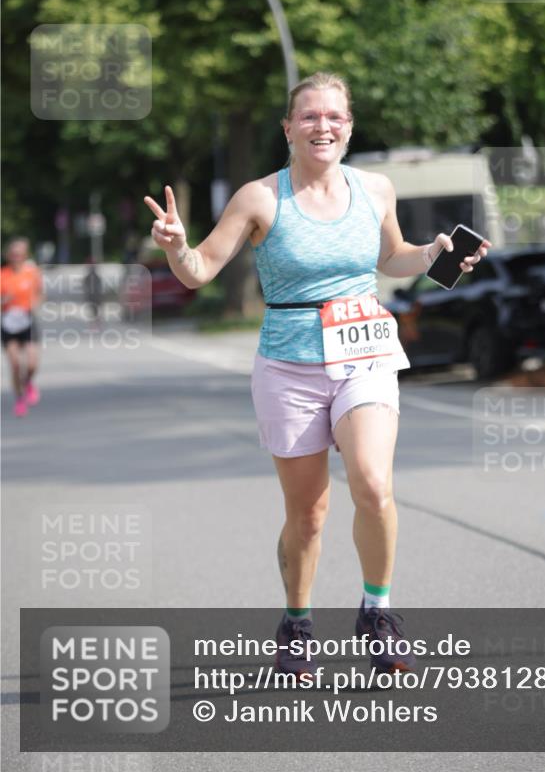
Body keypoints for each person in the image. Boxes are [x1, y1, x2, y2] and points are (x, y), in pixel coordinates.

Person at [144, 72, 491, 677]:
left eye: (334, 116)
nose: (322, 125)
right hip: (290, 364)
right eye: (309, 116)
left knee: (373, 485)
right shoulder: (259, 198)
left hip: (365, 354)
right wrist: (176, 245)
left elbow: (391, 258)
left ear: (349, 127)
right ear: (288, 128)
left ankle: (377, 614)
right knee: (307, 515)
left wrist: (433, 255)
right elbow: (199, 270)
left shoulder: (376, 188)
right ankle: (297, 621)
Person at [1, 237, 43, 417]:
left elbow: (40, 293)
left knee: (32, 364)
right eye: (13, 254)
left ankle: (27, 383)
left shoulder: (32, 273)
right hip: (8, 322)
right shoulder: (3, 275)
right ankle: (20, 399)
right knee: (15, 364)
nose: (16, 257)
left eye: (20, 254)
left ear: (25, 256)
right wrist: (4, 301)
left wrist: (35, 304)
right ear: (8, 256)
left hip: (27, 320)